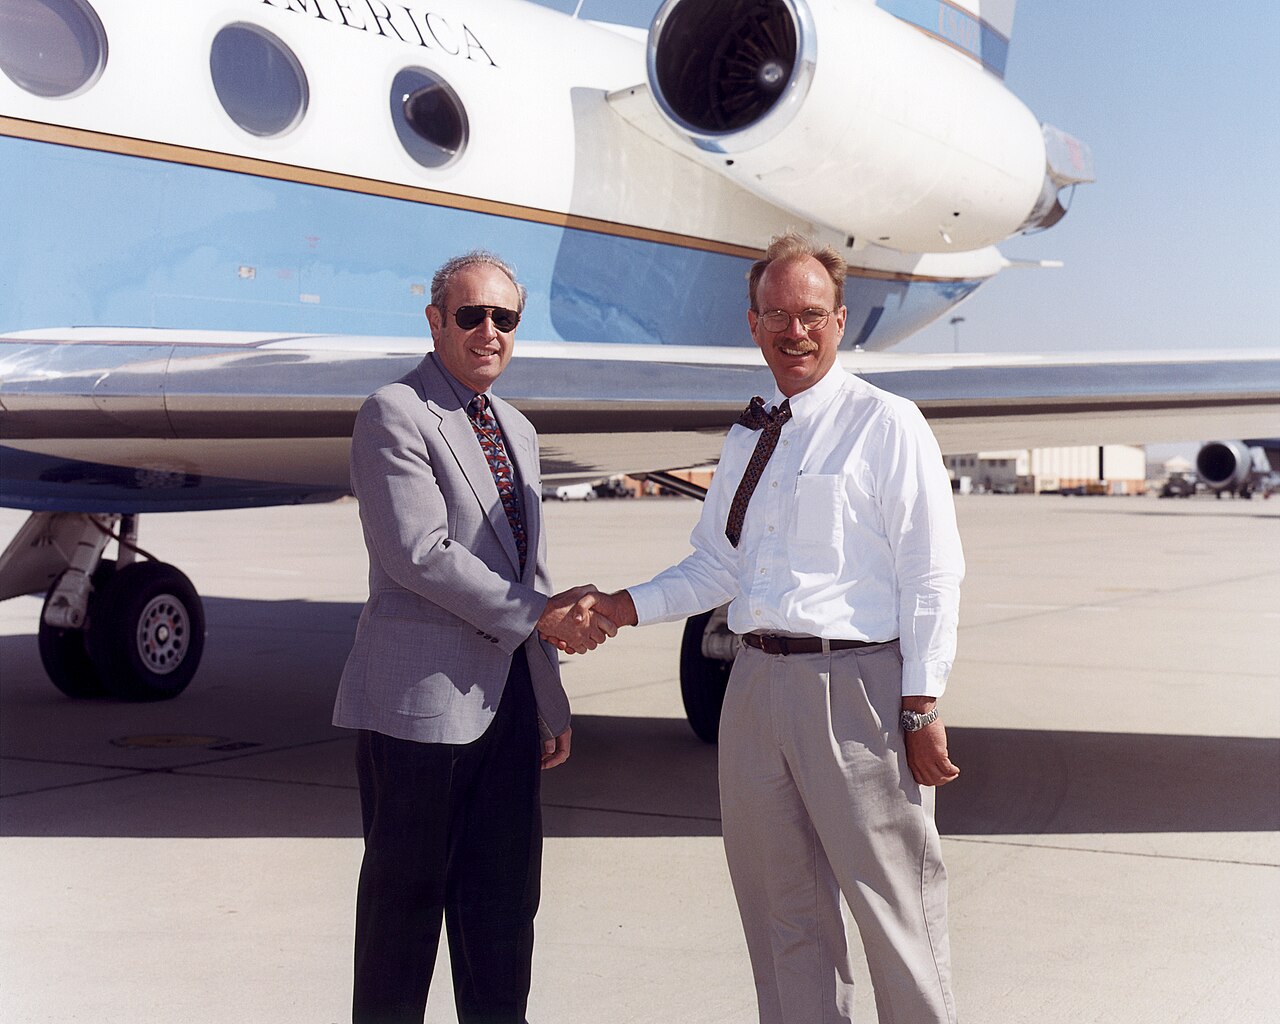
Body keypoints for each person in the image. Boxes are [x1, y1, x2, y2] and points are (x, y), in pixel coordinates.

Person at [568, 232, 965, 1023]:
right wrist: (619, 605)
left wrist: (920, 702)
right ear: (753, 325)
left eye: (812, 315)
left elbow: (931, 572)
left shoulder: (886, 424)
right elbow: (716, 568)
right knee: (782, 917)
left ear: (840, 321)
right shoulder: (749, 438)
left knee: (898, 918)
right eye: (777, 315)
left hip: (858, 692)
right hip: (752, 691)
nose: (796, 332)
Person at [333, 250, 611, 1024]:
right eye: (471, 315)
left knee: (503, 920)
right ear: (435, 321)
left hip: (509, 709)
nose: (489, 331)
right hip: (420, 711)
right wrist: (540, 615)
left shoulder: (515, 428)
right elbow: (420, 554)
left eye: (505, 318)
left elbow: (533, 566)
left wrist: (548, 695)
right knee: (402, 925)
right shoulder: (395, 411)